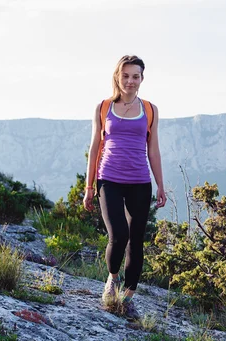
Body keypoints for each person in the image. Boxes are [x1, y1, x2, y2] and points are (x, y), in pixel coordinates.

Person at [83, 55, 166, 319]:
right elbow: (95, 147)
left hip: (140, 181)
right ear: (118, 77)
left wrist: (161, 185)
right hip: (109, 179)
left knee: (136, 241)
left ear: (142, 79)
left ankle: (127, 297)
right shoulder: (104, 107)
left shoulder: (150, 109)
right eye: (126, 76)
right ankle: (112, 278)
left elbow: (153, 149)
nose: (130, 81)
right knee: (118, 235)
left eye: (136, 76)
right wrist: (89, 186)